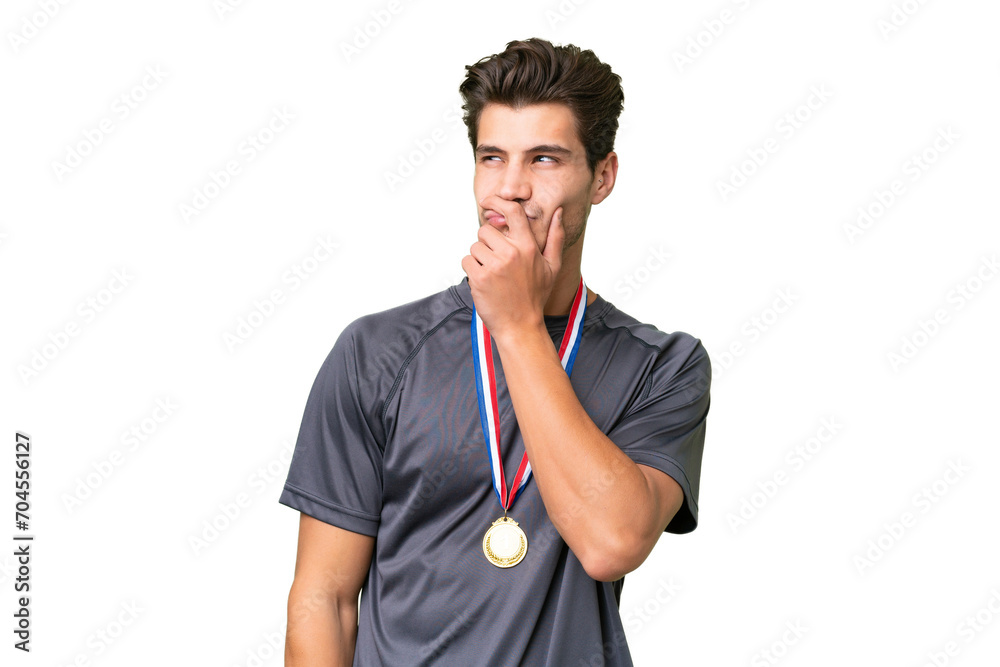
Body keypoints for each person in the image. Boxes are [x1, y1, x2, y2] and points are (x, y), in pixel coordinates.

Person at [279, 37, 711, 666]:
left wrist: (516, 326)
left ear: (602, 178)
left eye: (544, 159)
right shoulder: (375, 352)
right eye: (492, 158)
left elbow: (613, 541)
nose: (509, 189)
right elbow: (325, 598)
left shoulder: (663, 366)